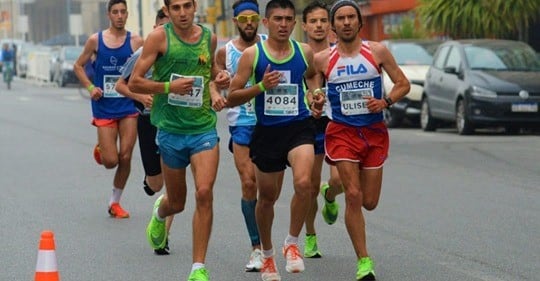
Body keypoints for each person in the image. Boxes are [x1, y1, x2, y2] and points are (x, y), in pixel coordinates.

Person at [308, 0, 410, 280]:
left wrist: (385, 101)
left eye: (351, 17)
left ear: (359, 22)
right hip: (341, 131)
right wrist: (315, 100)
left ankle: (329, 193)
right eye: (340, 18)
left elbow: (403, 83)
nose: (346, 22)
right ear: (333, 25)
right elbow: (312, 84)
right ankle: (364, 262)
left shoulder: (376, 51)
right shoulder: (322, 59)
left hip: (374, 132)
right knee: (353, 195)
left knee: (369, 202)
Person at [128, 0, 226, 280]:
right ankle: (161, 212)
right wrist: (169, 87)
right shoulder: (159, 37)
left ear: (195, 7)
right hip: (170, 129)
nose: (182, 13)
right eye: (176, 8)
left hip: (203, 129)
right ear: (167, 11)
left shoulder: (209, 37)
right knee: (178, 203)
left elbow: (211, 76)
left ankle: (198, 267)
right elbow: (135, 82)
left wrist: (220, 81)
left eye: (187, 6)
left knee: (204, 193)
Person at [227, 0, 324, 280]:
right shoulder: (252, 55)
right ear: (266, 23)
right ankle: (267, 255)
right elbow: (232, 95)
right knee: (267, 198)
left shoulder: (303, 52)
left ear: (295, 24)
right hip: (267, 133)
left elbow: (311, 77)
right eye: (277, 19)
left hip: (299, 128)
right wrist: (260, 87)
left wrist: (314, 97)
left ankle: (292, 243)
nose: (283, 24)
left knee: (305, 183)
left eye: (288, 19)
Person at [73, 0, 143, 219]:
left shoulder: (136, 41)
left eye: (123, 12)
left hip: (128, 104)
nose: (120, 16)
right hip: (104, 105)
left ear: (127, 14)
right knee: (111, 161)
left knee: (126, 155)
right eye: (115, 12)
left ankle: (115, 202)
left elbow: (147, 69)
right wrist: (91, 87)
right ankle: (102, 150)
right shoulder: (96, 40)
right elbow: (78, 66)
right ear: (109, 15)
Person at [114, 9, 174, 255]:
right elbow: (120, 84)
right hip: (148, 121)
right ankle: (151, 184)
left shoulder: (186, 55)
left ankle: (163, 237)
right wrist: (140, 96)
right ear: (155, 30)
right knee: (156, 183)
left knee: (173, 185)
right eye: (164, 28)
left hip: (175, 124)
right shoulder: (141, 54)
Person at [214, 0, 266, 272]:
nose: (249, 22)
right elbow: (215, 81)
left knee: (272, 188)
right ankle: (257, 247)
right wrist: (218, 86)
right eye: (243, 18)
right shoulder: (226, 51)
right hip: (242, 122)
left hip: (272, 122)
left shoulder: (270, 44)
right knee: (249, 184)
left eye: (253, 17)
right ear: (235, 21)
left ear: (259, 19)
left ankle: (296, 239)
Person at [300, 0, 344, 259]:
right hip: (309, 123)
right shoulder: (299, 54)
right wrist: (310, 96)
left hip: (337, 122)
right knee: (309, 185)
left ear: (330, 26)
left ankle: (331, 194)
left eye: (323, 21)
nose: (318, 26)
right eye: (313, 21)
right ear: (305, 26)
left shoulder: (338, 53)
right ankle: (310, 235)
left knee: (338, 180)